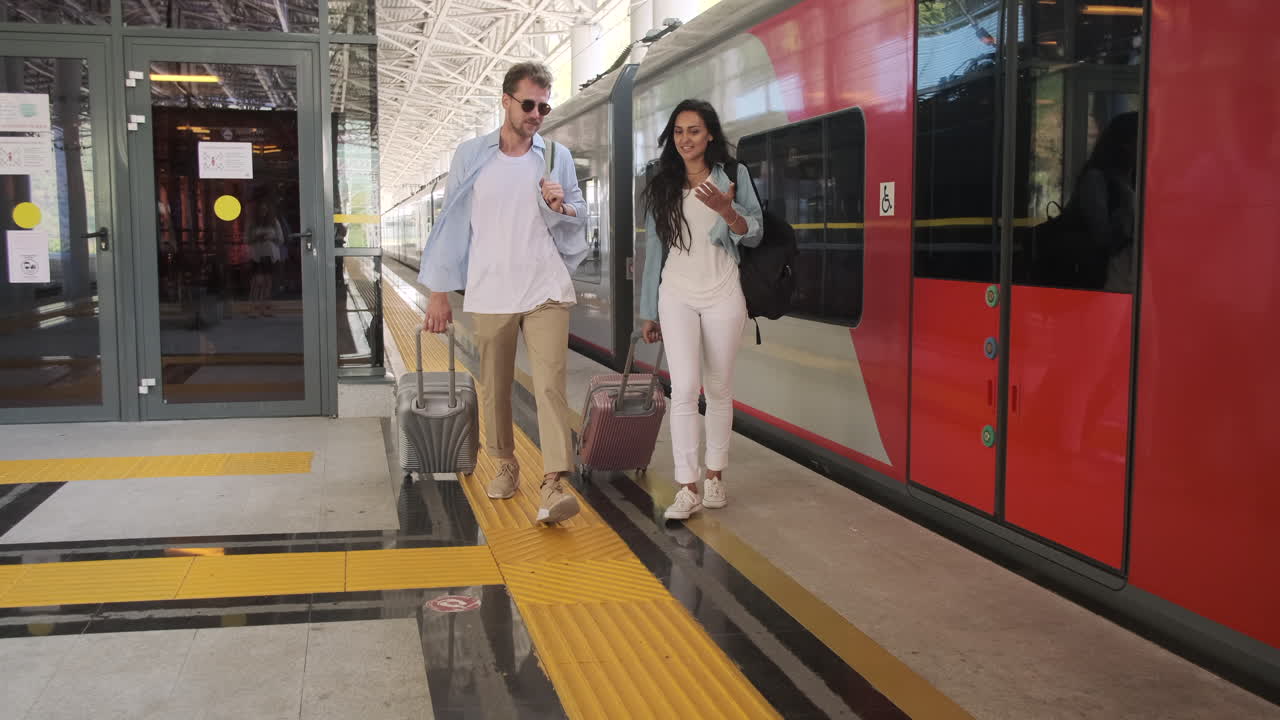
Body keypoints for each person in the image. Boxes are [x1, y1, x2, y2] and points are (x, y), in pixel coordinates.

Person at [418, 62, 588, 524]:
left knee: (551, 383)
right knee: (495, 385)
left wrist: (564, 205)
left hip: (545, 285)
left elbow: (579, 216)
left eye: (544, 106)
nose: (537, 114)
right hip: (491, 287)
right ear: (506, 101)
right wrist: (439, 291)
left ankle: (553, 483)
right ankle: (506, 462)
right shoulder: (472, 155)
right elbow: (451, 224)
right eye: (529, 104)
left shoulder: (556, 157)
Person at [637, 99, 763, 521]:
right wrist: (647, 309)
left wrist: (729, 212)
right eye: (678, 131)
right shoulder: (664, 182)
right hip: (676, 292)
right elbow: (654, 249)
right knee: (685, 389)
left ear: (710, 134)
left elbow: (755, 232)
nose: (685, 139)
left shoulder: (734, 176)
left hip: (724, 289)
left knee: (719, 387)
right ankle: (686, 486)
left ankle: (714, 478)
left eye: (693, 130)